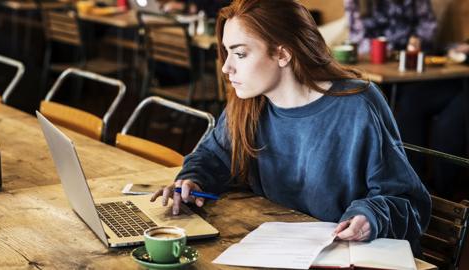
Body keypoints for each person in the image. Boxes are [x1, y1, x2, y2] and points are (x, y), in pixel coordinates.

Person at [150, 0, 431, 255]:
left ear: (283, 55)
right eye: (227, 53)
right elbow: (212, 157)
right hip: (275, 250)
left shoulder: (357, 105)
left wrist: (370, 218)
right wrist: (192, 181)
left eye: (241, 54)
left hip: (348, 254)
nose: (226, 68)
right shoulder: (248, 102)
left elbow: (406, 200)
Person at [344, 0, 437, 54]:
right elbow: (356, 36)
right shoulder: (357, 3)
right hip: (371, 57)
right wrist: (382, 49)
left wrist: (418, 40)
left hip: (407, 55)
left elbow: (428, 25)